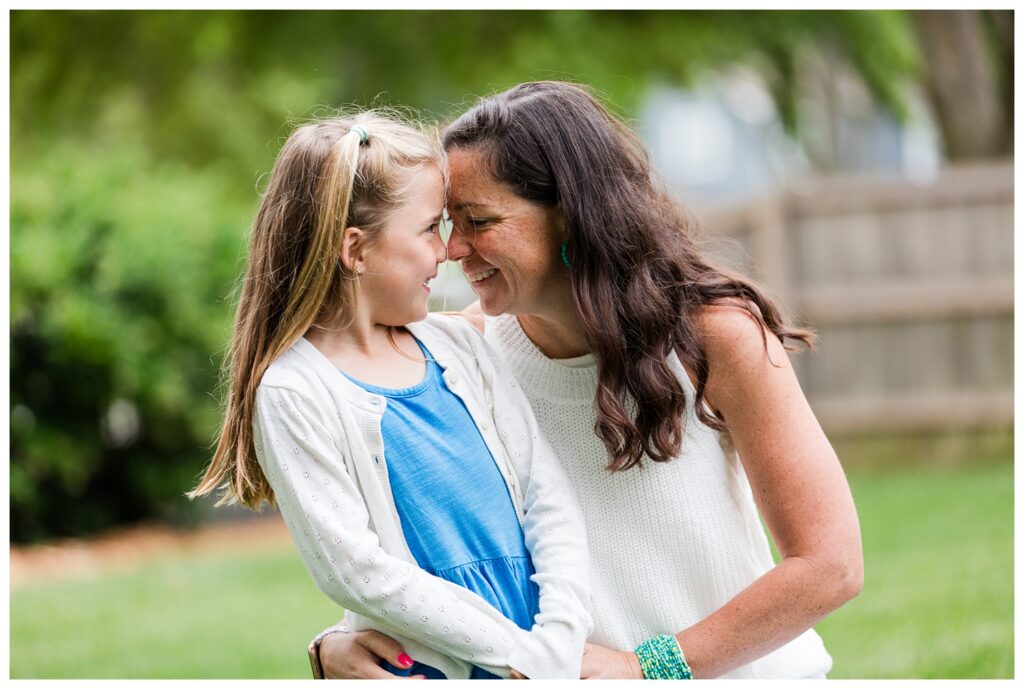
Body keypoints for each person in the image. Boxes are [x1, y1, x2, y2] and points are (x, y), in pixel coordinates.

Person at [316, 82, 862, 680]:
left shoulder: (714, 336)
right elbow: (410, 545)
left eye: (480, 221)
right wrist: (339, 644)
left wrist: (650, 667)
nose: (451, 249)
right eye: (448, 223)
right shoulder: (460, 358)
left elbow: (829, 564)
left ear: (571, 217)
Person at [189, 112, 594, 680]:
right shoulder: (295, 392)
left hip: (545, 653)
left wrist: (558, 640)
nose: (447, 251)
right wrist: (517, 656)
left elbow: (547, 497)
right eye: (430, 228)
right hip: (443, 664)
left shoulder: (460, 346)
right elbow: (355, 570)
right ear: (355, 250)